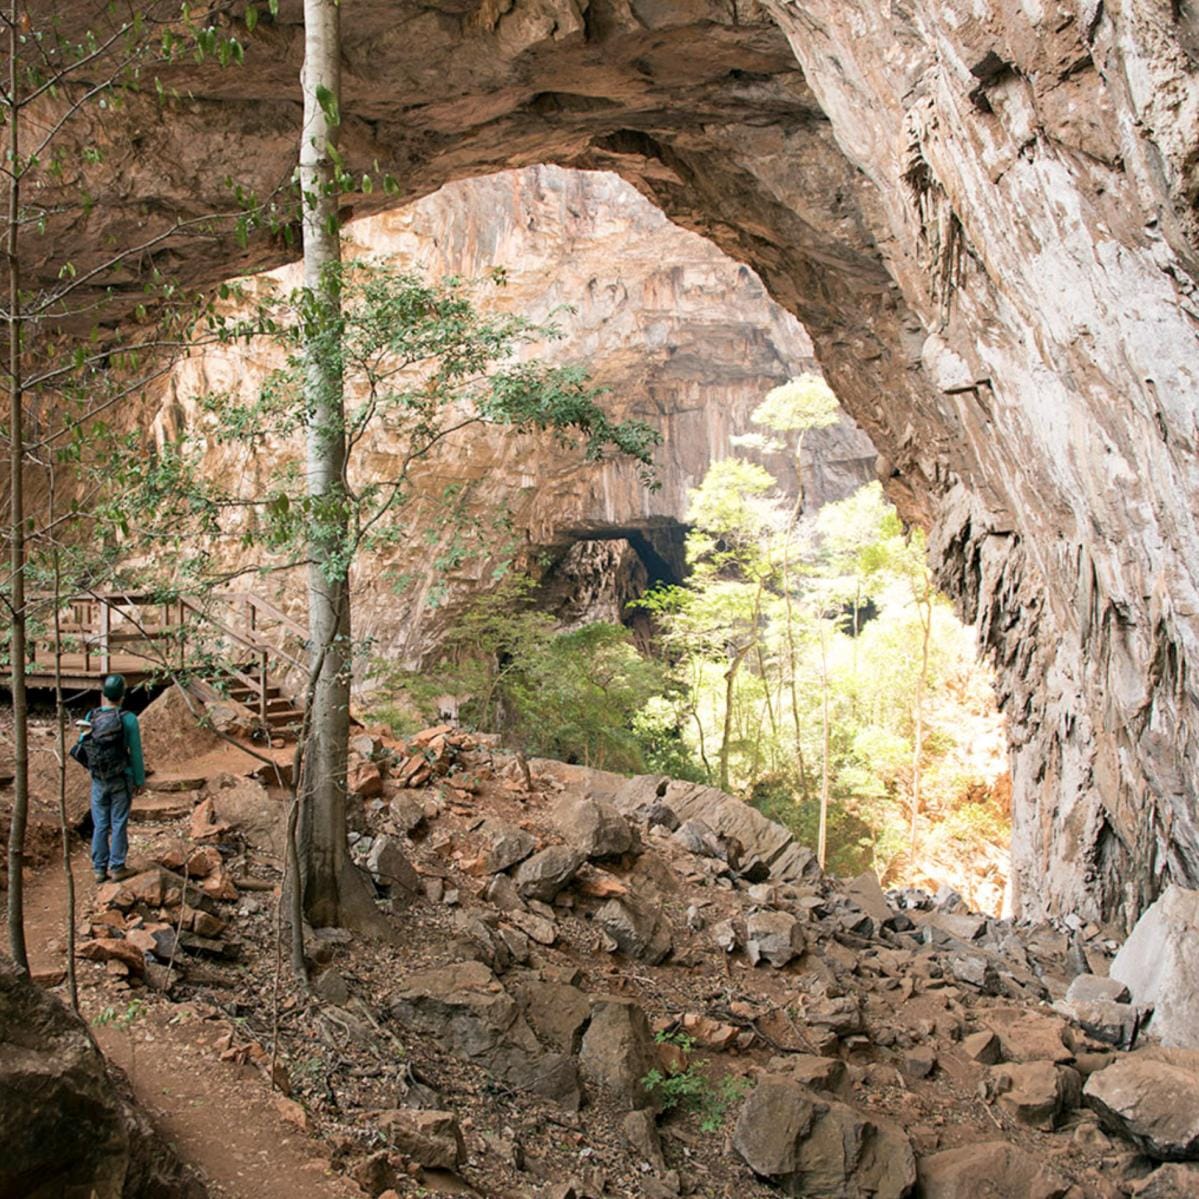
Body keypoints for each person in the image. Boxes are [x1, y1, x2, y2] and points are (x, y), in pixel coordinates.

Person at [80, 674, 146, 884]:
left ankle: (99, 869)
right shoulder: (128, 719)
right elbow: (135, 752)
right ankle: (117, 867)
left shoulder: (92, 716)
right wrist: (139, 780)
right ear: (123, 695)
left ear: (104, 694)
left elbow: (83, 743)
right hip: (121, 777)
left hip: (99, 779)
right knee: (118, 822)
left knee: (100, 823)